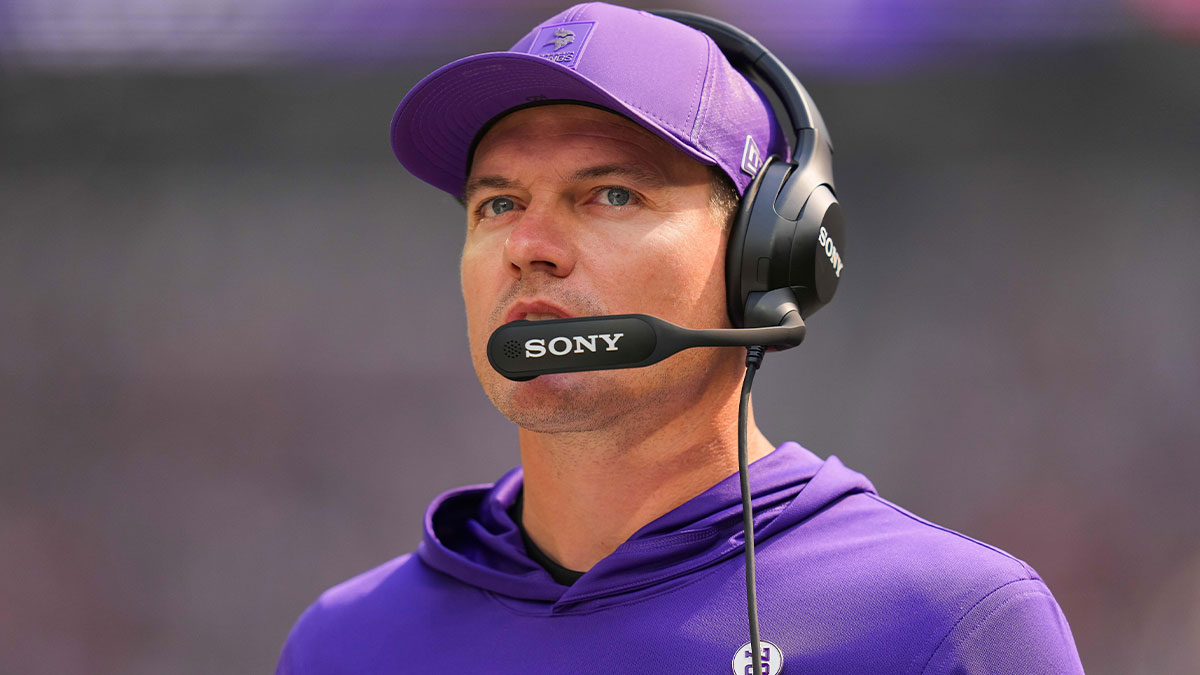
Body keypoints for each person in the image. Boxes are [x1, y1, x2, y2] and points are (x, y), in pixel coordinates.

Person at [276, 3, 1085, 673]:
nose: (530, 245)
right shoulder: (341, 643)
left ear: (764, 253)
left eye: (612, 194)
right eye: (497, 203)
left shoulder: (949, 623)